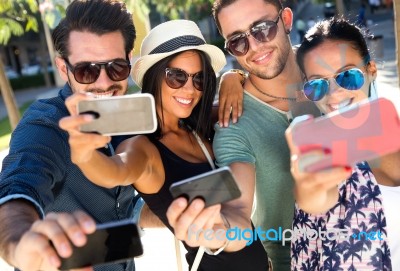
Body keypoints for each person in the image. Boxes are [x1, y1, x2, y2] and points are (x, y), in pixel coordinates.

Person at [59, 19, 270, 271]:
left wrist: (232, 78)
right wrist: (84, 154)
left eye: (199, 78)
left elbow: (250, 100)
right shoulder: (144, 149)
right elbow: (114, 170)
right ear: (154, 76)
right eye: (176, 76)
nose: (190, 88)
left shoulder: (198, 126)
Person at [0, 1, 162, 270]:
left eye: (116, 67)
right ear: (64, 68)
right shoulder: (46, 124)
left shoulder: (126, 114)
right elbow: (16, 190)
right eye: (86, 70)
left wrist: (171, 214)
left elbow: (118, 207)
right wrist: (19, 242)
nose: (103, 82)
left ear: (129, 61)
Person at [210, 0, 320, 269]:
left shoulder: (335, 76)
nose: (254, 47)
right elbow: (238, 208)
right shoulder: (235, 121)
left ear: (286, 19)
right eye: (237, 41)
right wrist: (219, 229)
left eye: (262, 28)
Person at [287, 17, 399, 270]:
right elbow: (315, 200)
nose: (335, 93)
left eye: (348, 76)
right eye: (317, 85)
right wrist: (307, 188)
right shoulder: (323, 159)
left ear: (371, 70)